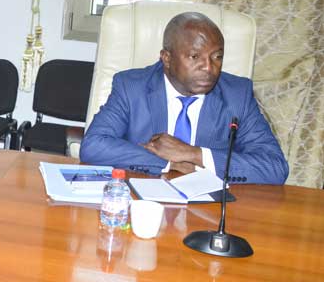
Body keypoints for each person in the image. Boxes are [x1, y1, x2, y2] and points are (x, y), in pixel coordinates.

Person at [80, 12, 288, 185]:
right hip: (143, 200)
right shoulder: (132, 87)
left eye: (217, 57)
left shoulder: (237, 95)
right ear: (167, 58)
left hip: (210, 209)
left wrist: (193, 154)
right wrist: (168, 163)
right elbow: (94, 145)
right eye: (195, 57)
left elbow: (275, 167)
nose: (209, 68)